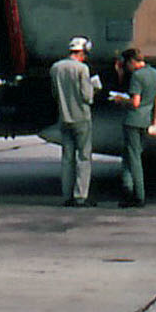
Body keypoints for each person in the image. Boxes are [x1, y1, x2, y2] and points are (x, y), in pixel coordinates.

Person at [50, 36, 97, 207]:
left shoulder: (56, 68)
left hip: (64, 117)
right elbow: (87, 97)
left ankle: (66, 195)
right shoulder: (82, 69)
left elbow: (55, 93)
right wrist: (94, 87)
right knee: (84, 157)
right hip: (81, 118)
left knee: (67, 158)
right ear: (83, 52)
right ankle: (80, 196)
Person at [117, 48, 156, 208]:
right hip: (146, 121)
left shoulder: (137, 76)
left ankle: (138, 195)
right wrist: (155, 118)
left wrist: (120, 100)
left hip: (132, 121)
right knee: (132, 155)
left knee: (133, 158)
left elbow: (135, 102)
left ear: (132, 62)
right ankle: (128, 189)